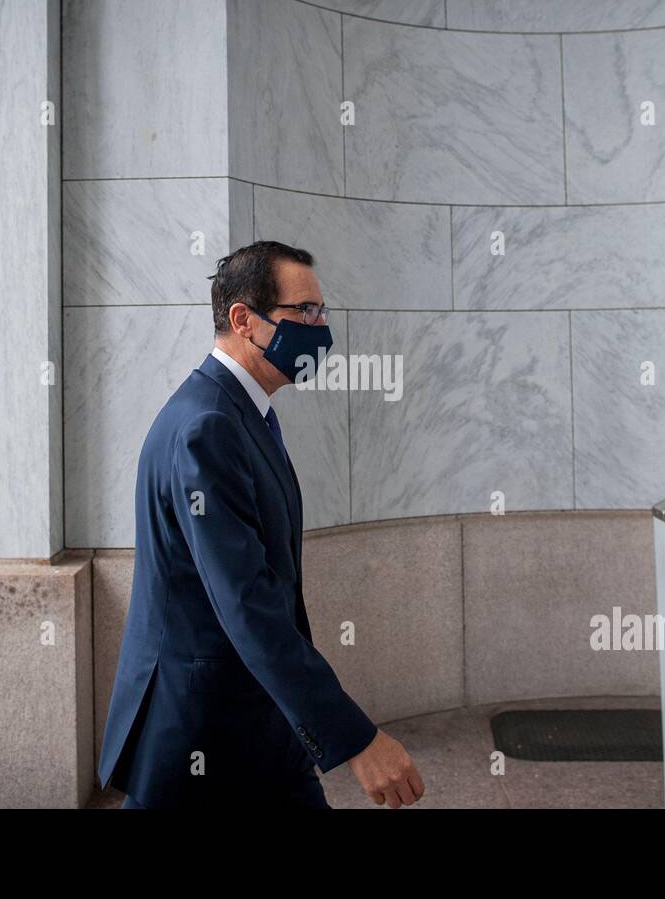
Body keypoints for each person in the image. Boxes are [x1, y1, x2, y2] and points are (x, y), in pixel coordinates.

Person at [97, 240, 425, 809]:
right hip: (204, 735)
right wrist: (355, 739)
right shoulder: (208, 427)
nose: (319, 330)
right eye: (305, 313)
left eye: (322, 313)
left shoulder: (241, 412)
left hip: (257, 726)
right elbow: (247, 601)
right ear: (243, 320)